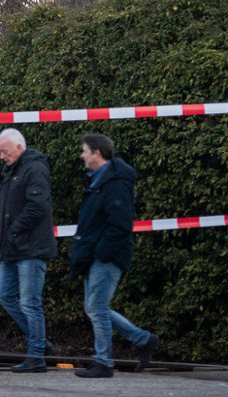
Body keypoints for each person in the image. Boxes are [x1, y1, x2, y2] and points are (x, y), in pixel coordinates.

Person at [68, 133, 160, 378]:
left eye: (85, 150)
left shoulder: (115, 183)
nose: (82, 155)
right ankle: (143, 339)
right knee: (95, 307)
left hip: (107, 255)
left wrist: (102, 251)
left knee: (97, 308)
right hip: (96, 254)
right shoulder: (99, 179)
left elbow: (120, 223)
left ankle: (103, 363)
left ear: (97, 153)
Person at [0, 128, 57, 373]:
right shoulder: (14, 169)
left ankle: (37, 355)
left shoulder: (35, 168)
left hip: (31, 247)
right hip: (14, 246)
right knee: (3, 295)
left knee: (30, 302)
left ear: (19, 147)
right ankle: (40, 342)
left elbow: (38, 205)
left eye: (4, 151)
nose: (1, 156)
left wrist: (15, 230)